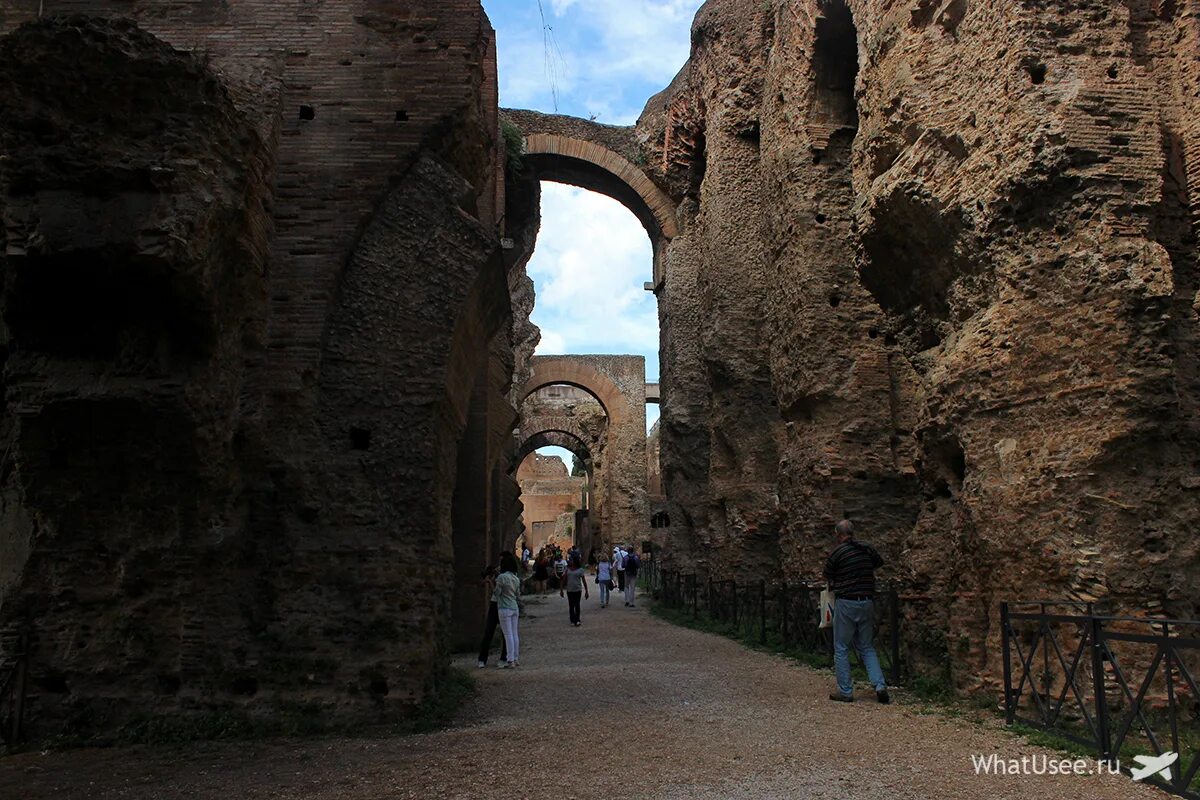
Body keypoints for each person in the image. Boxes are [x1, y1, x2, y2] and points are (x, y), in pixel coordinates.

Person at [823, 519, 888, 703]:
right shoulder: (866, 548)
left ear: (838, 534)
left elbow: (827, 573)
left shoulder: (838, 552)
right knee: (867, 646)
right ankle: (880, 685)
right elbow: (878, 562)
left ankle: (845, 691)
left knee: (841, 647)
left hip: (847, 602)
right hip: (866, 601)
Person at [494, 551, 522, 668]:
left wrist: (492, 583)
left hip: (504, 608)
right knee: (514, 634)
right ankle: (515, 658)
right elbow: (518, 595)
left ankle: (510, 660)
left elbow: (497, 593)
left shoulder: (501, 577)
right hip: (514, 607)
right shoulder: (516, 579)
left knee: (508, 634)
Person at [477, 563, 507, 667]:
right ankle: (482, 659)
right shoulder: (497, 577)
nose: (497, 570)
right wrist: (489, 579)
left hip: (501, 604)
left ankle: (503, 658)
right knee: (489, 632)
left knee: (504, 634)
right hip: (495, 605)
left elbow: (497, 593)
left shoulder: (504, 578)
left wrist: (490, 582)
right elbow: (481, 583)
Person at [560, 554, 590, 627]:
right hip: (570, 590)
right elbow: (563, 580)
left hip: (577, 589)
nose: (570, 561)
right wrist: (561, 590)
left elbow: (584, 581)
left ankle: (577, 620)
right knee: (571, 605)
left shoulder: (580, 570)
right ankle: (572, 620)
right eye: (569, 560)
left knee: (577, 605)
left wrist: (586, 591)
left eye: (571, 560)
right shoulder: (567, 570)